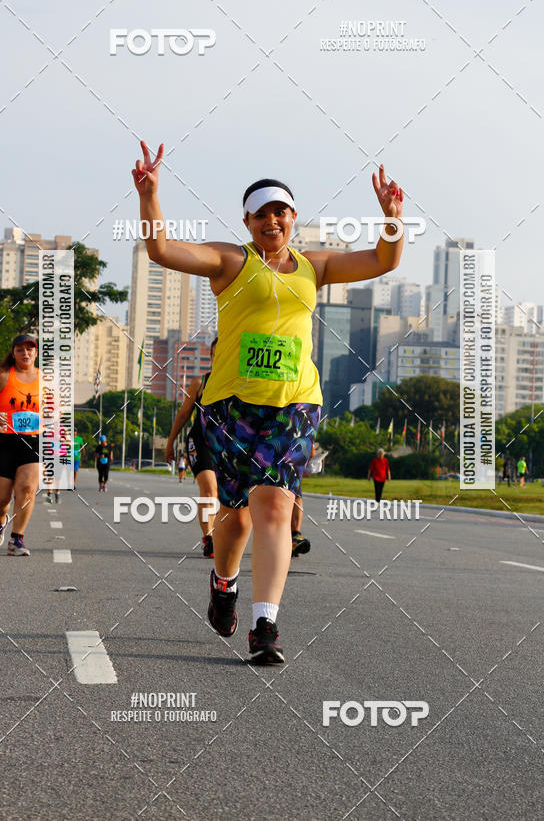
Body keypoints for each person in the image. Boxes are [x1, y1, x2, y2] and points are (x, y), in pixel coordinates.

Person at [133, 141, 403, 664]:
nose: (272, 221)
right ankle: (224, 583)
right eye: (262, 214)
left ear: (293, 217)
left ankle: (265, 626)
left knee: (276, 505)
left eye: (281, 212)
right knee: (235, 520)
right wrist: (150, 197)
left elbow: (381, 260)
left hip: (294, 405)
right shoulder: (229, 261)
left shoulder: (315, 266)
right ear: (248, 220)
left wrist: (391, 218)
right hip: (232, 407)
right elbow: (162, 250)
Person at [0, 333, 40, 556]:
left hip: (32, 440)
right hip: (4, 441)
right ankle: (0, 521)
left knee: (27, 488)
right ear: (13, 353)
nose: (26, 353)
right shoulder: (2, 376)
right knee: (0, 501)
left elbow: (56, 409)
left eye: (30, 349)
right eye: (20, 349)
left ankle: (17, 540)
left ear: (36, 352)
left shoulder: (45, 380)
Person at [166, 339, 219, 557]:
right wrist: (170, 443)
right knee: (209, 489)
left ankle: (220, 535)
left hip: (224, 445)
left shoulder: (239, 385)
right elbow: (183, 414)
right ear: (211, 356)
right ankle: (209, 538)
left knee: (224, 495)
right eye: (216, 354)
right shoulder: (200, 382)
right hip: (200, 441)